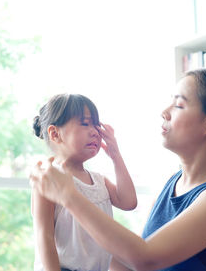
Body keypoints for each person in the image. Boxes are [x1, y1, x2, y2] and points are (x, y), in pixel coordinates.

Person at [30, 69, 206, 271]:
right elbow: (125, 261)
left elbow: (145, 259)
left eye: (178, 105)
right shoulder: (174, 184)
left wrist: (68, 196)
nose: (164, 112)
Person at [31, 93, 138, 271]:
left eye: (96, 125)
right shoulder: (49, 179)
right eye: (85, 123)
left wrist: (115, 155)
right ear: (55, 134)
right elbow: (44, 237)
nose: (95, 131)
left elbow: (128, 202)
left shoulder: (98, 180)